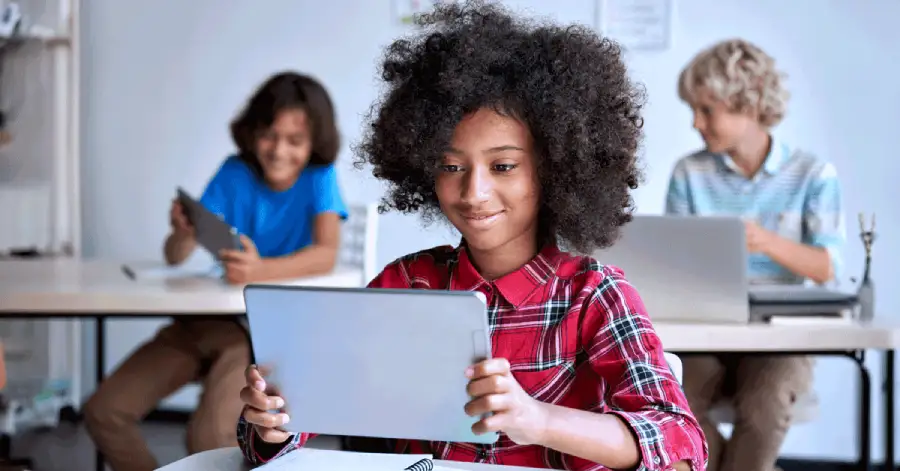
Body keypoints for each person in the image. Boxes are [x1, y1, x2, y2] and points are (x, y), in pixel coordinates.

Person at [237, 2, 707, 470]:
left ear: (554, 170)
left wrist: (537, 418)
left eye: (503, 166)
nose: (473, 191)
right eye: (451, 166)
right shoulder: (408, 284)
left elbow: (681, 444)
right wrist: (273, 423)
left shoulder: (594, 297)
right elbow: (303, 416)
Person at [83, 71, 348, 471]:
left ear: (315, 143)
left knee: (208, 438)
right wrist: (183, 233)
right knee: (105, 410)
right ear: (252, 131)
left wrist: (260, 269)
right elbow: (175, 256)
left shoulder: (319, 178)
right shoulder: (234, 172)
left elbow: (326, 253)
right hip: (201, 322)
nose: (278, 150)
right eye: (269, 135)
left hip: (254, 334)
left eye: (295, 140)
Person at [665, 39, 845, 471]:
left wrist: (762, 241)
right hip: (703, 330)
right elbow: (672, 267)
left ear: (750, 105)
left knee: (764, 406)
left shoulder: (813, 174)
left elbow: (827, 268)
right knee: (675, 402)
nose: (695, 122)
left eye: (707, 110)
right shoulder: (689, 173)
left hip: (779, 336)